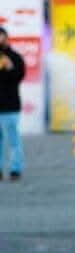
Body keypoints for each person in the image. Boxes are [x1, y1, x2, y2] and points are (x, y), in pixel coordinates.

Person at [0, 26, 27, 182]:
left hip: (10, 106)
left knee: (13, 140)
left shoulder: (15, 57)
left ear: (6, 38)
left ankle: (15, 169)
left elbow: (19, 77)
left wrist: (10, 68)